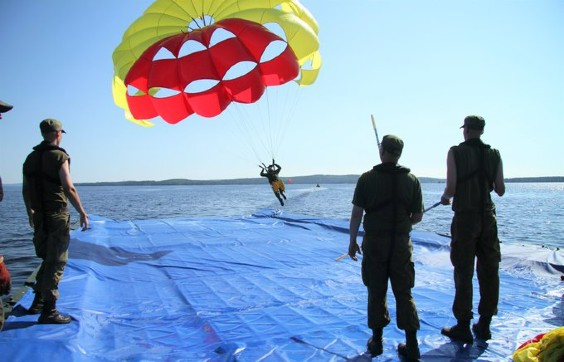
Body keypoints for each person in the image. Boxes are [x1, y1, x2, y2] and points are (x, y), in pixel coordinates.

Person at [348, 135, 424, 360]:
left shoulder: (366, 179)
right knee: (404, 292)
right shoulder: (412, 180)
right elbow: (417, 216)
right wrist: (400, 225)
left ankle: (377, 341)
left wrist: (352, 241)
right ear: (399, 153)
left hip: (375, 245)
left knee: (376, 290)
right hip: (401, 245)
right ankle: (412, 345)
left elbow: (356, 214)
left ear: (382, 151)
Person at [440, 115, 505, 343]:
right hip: (487, 217)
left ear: (466, 130)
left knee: (463, 271)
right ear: (482, 131)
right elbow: (500, 190)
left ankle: (463, 326)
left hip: (465, 217)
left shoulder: (455, 152)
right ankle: (484, 325)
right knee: (489, 271)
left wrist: (446, 197)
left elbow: (451, 187)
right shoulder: (494, 154)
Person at [22, 118, 89, 324]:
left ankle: (38, 302)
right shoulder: (60, 156)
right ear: (58, 134)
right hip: (56, 215)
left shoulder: (30, 158)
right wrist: (82, 212)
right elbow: (68, 188)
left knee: (46, 258)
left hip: (40, 215)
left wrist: (30, 212)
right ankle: (49, 311)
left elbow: (26, 190)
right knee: (57, 260)